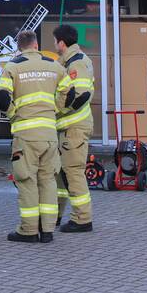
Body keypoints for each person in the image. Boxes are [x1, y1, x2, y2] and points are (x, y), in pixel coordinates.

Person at [0, 30, 71, 243]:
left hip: (26, 135)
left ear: (19, 47)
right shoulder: (55, 65)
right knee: (48, 180)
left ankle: (28, 230)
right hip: (49, 134)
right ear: (36, 45)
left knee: (26, 180)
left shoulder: (13, 67)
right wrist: (55, 109)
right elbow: (70, 93)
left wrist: (12, 113)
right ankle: (47, 230)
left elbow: (1, 96)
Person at [52, 24, 96, 233]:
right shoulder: (68, 62)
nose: (54, 45)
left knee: (73, 173)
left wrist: (55, 111)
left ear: (61, 42)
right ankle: (57, 215)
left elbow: (81, 95)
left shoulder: (77, 63)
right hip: (68, 129)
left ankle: (82, 219)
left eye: (55, 41)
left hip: (74, 129)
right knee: (61, 175)